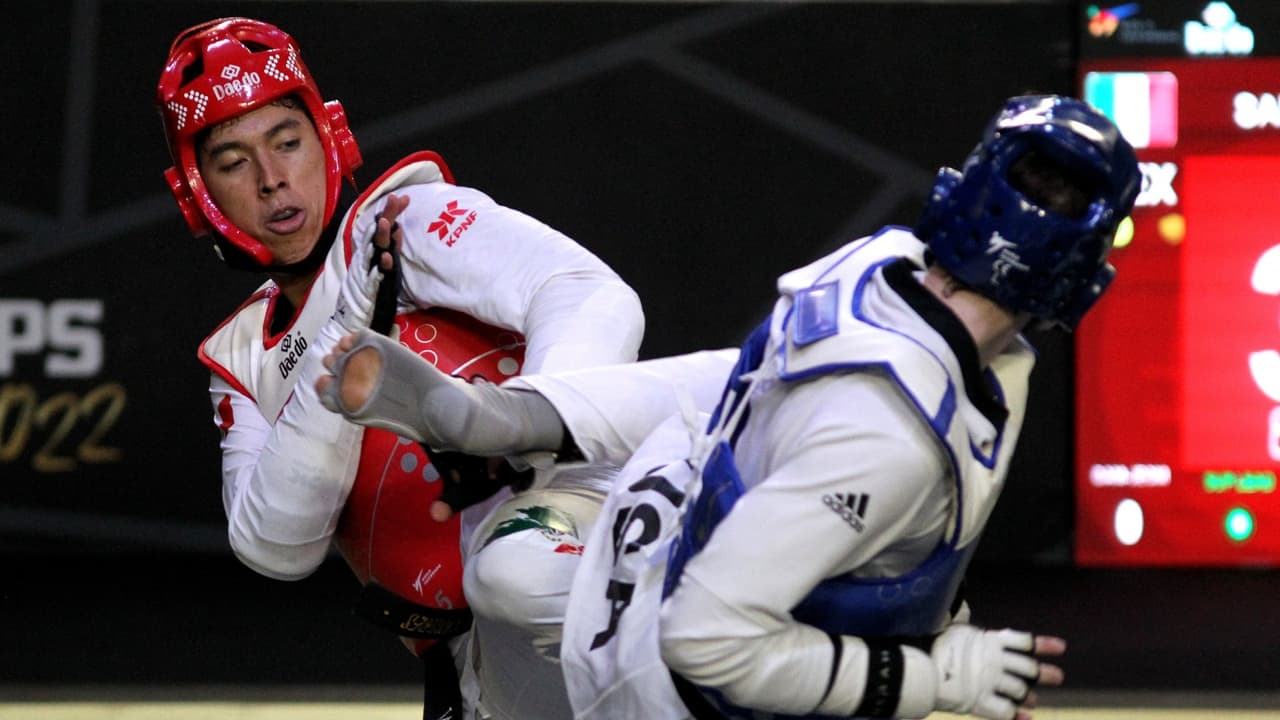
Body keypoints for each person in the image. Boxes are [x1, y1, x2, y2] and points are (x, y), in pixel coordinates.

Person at [315, 94, 1141, 720]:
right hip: (685, 682)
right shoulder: (887, 438)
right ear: (1074, 271)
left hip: (671, 552)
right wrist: (935, 677)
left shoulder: (876, 268)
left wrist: (517, 417)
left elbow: (742, 379)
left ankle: (505, 429)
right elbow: (706, 641)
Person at [155, 16, 645, 719]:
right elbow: (276, 545)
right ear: (198, 195)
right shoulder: (238, 357)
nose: (271, 180)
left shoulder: (403, 221)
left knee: (523, 570)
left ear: (329, 139)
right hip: (475, 673)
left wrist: (541, 463)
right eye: (233, 162)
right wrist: (347, 329)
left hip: (605, 555)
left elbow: (592, 295)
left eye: (287, 143)